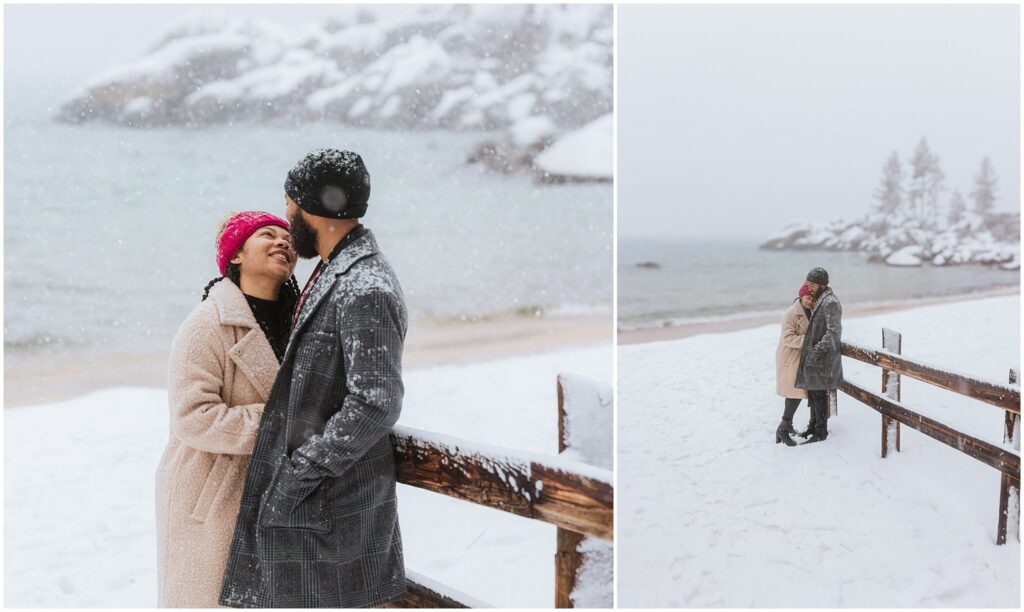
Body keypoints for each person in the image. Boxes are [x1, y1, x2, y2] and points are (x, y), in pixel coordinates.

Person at [220, 149, 409, 608]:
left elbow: (377, 401)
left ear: (313, 209)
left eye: (290, 205)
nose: (287, 218)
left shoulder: (366, 285)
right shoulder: (333, 270)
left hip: (335, 510)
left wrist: (299, 473)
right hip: (318, 510)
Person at [155, 211, 298, 607]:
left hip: (276, 491)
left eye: (288, 238)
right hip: (212, 491)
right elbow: (193, 418)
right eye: (267, 234)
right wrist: (281, 427)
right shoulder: (206, 323)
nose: (283, 242)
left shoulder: (301, 322)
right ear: (235, 254)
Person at [795, 267, 843, 444]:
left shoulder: (831, 302)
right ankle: (813, 425)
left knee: (820, 394)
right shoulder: (821, 299)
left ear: (822, 283)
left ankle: (820, 431)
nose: (810, 288)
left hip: (823, 359)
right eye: (808, 284)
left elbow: (833, 333)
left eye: (812, 284)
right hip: (816, 357)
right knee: (813, 392)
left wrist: (816, 351)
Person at [775, 283, 814, 446]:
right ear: (801, 296)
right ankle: (782, 430)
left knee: (794, 392)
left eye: (813, 299)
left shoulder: (810, 310)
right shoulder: (791, 313)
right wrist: (810, 340)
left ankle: (787, 425)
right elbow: (787, 338)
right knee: (795, 392)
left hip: (798, 356)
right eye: (808, 298)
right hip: (790, 357)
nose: (810, 301)